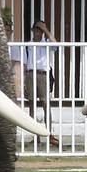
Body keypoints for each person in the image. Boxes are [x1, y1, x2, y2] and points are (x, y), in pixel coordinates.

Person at [21, 19, 60, 147]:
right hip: (31, 74)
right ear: (33, 31)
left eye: (40, 31)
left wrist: (46, 30)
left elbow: (56, 45)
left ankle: (48, 134)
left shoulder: (46, 43)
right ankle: (35, 135)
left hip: (43, 74)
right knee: (32, 105)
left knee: (45, 104)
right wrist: (25, 79)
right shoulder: (28, 44)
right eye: (37, 30)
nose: (38, 33)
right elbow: (25, 62)